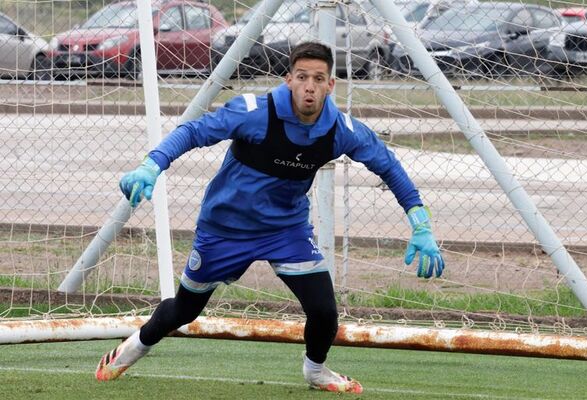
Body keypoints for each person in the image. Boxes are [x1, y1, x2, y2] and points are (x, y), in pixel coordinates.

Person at [95, 41, 445, 393]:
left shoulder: (341, 130)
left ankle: (316, 370)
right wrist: (151, 165)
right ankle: (134, 347)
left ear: (330, 85)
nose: (310, 86)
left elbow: (391, 169)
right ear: (289, 79)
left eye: (319, 78)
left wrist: (421, 226)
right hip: (225, 228)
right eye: (303, 77)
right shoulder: (253, 113)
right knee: (185, 310)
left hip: (286, 230)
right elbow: (193, 132)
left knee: (324, 311)